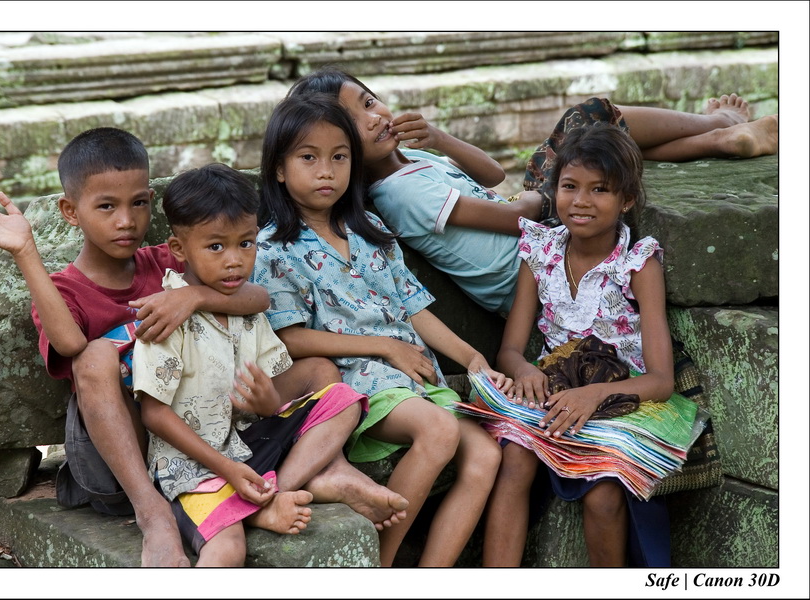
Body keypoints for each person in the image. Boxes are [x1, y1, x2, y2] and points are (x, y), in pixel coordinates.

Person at [0, 127, 272, 567]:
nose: (126, 220)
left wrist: (192, 295)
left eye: (138, 203)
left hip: (191, 446)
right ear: (70, 211)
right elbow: (70, 343)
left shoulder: (166, 261)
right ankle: (153, 514)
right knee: (97, 354)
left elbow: (256, 297)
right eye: (106, 206)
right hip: (117, 465)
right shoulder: (65, 290)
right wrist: (26, 252)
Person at [251, 94, 513, 567]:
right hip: (352, 386)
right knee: (437, 431)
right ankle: (382, 567)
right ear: (279, 169)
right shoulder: (272, 249)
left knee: (487, 453)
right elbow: (290, 338)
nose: (326, 171)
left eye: (339, 157)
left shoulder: (369, 228)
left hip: (414, 378)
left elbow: (413, 307)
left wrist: (474, 358)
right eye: (308, 158)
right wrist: (385, 347)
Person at [286, 66, 779, 316]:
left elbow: (491, 173)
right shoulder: (398, 196)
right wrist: (543, 195)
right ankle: (717, 123)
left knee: (590, 154)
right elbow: (512, 215)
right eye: (356, 119)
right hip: (535, 264)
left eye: (371, 101)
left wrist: (437, 138)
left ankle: (720, 139)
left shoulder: (413, 161)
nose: (376, 117)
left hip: (531, 228)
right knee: (588, 120)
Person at [134, 163, 409, 566]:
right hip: (195, 467)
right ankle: (269, 501)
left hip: (251, 448)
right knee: (227, 549)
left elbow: (270, 402)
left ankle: (275, 493)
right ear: (179, 250)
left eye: (245, 244)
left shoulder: (248, 311)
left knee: (344, 399)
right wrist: (226, 469)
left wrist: (266, 402)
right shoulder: (167, 317)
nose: (234, 261)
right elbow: (154, 415)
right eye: (216, 247)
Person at [490, 122, 678, 567]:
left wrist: (593, 394)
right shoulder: (541, 252)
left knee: (604, 495)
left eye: (600, 190)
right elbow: (510, 351)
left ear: (626, 200)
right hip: (553, 387)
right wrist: (526, 372)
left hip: (623, 393)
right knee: (514, 458)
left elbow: (661, 380)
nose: (581, 201)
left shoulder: (638, 264)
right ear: (554, 191)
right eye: (570, 186)